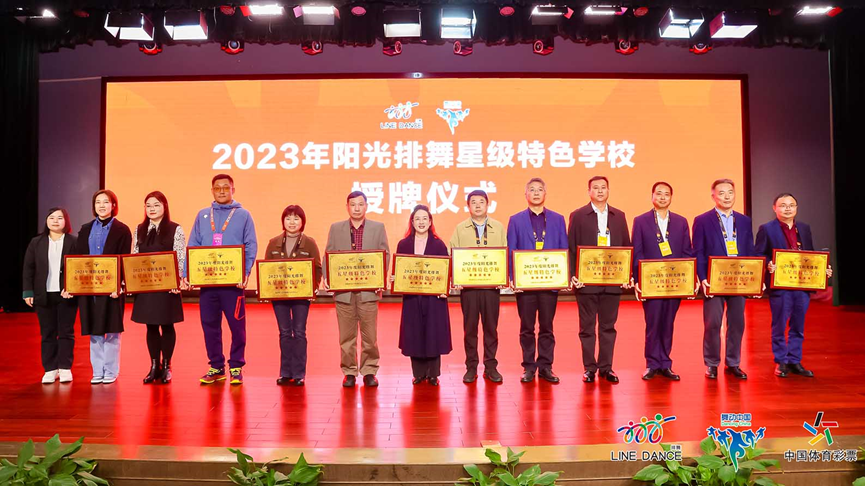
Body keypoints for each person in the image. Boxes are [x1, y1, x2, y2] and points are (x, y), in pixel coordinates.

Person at [183, 174, 257, 385]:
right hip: (208, 283)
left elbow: (250, 245)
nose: (222, 191)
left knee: (237, 327)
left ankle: (236, 366)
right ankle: (216, 366)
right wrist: (188, 273)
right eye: (218, 188)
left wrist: (245, 272)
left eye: (226, 187)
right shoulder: (203, 215)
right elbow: (193, 245)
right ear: (212, 191)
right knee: (210, 326)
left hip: (232, 284)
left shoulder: (243, 215)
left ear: (233, 190)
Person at [755, 193, 833, 378]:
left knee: (798, 325)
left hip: (801, 284)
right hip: (780, 285)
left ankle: (794, 360)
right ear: (775, 208)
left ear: (796, 208)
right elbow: (758, 254)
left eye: (791, 205)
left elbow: (810, 254)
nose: (788, 208)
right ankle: (781, 361)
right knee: (779, 325)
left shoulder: (804, 228)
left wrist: (822, 269)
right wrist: (768, 264)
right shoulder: (766, 229)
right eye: (783, 205)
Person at [568, 176, 632, 384]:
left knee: (608, 327)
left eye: (603, 187)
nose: (600, 191)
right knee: (587, 328)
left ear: (608, 190)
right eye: (595, 188)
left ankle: (606, 367)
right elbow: (571, 248)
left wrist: (627, 275)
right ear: (589, 192)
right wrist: (572, 275)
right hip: (586, 282)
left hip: (612, 282)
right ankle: (589, 368)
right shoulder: (578, 215)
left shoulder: (619, 216)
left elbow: (626, 247)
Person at [323, 191, 390, 387]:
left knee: (370, 336)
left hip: (368, 291)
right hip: (344, 292)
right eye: (353, 204)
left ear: (366, 206)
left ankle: (369, 370)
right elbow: (329, 255)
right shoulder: (336, 228)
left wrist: (378, 277)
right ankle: (349, 371)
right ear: (347, 207)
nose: (357, 208)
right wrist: (328, 278)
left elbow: (385, 255)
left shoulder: (378, 227)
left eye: (361, 204)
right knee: (346, 336)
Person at [506, 178, 568, 384]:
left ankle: (546, 366)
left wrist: (564, 276)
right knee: (527, 327)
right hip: (525, 284)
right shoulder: (515, 220)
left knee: (547, 326)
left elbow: (563, 248)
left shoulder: (558, 219)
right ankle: (528, 367)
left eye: (539, 189)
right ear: (526, 194)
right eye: (531, 190)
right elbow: (511, 250)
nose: (535, 193)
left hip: (550, 281)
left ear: (545, 194)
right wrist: (512, 277)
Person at [632, 182, 695, 381]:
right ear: (652, 196)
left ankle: (665, 363)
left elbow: (687, 252)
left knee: (668, 323)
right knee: (653, 324)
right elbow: (637, 252)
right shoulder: (640, 221)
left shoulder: (681, 221)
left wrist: (688, 280)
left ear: (671, 198)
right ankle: (652, 364)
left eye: (666, 194)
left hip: (675, 283)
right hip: (651, 283)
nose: (662, 197)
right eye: (658, 194)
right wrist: (638, 279)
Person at [693, 178, 755, 380]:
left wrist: (755, 278)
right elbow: (698, 251)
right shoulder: (702, 220)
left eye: (730, 192)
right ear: (713, 196)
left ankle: (733, 363)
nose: (727, 197)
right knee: (712, 323)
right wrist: (702, 277)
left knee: (737, 322)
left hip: (739, 279)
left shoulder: (744, 221)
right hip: (714, 279)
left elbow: (750, 250)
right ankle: (711, 363)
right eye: (721, 193)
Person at [73, 190, 132, 385]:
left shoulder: (122, 230)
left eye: (106, 202)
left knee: (112, 330)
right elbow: (78, 260)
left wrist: (120, 285)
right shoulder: (85, 229)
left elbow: (125, 259)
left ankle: (111, 370)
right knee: (94, 330)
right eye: (98, 202)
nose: (101, 206)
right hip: (89, 288)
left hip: (112, 288)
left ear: (113, 205)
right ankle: (97, 371)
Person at [449, 190, 507, 384]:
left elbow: (504, 254)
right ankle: (471, 367)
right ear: (468, 206)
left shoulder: (498, 227)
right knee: (470, 329)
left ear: (487, 204)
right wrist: (455, 276)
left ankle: (491, 367)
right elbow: (452, 255)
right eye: (473, 202)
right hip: (469, 289)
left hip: (491, 288)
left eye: (481, 202)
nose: (477, 205)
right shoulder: (460, 228)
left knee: (491, 328)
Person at [393, 205, 452, 385]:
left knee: (433, 332)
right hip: (412, 297)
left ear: (430, 221)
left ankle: (433, 374)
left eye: (424, 218)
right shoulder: (404, 244)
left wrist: (444, 287)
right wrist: (396, 278)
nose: (421, 222)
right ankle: (418, 373)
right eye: (417, 219)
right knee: (414, 333)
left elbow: (445, 271)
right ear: (412, 222)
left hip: (434, 298)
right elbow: (400, 269)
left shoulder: (438, 244)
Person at [131, 191, 185, 384]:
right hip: (146, 285)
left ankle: (167, 366)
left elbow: (180, 256)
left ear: (164, 206)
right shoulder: (139, 229)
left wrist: (177, 281)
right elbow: (134, 258)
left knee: (167, 325)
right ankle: (154, 366)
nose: (152, 209)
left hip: (167, 287)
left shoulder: (175, 229)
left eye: (156, 205)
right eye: (148, 206)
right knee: (151, 326)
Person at [264, 205, 322, 386]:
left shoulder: (309, 243)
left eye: (296, 218)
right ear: (283, 221)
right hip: (279, 295)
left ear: (302, 222)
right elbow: (266, 269)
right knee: (284, 332)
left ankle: (298, 373)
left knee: (299, 332)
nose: (292, 222)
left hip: (301, 296)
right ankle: (285, 372)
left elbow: (317, 268)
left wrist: (314, 288)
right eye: (288, 218)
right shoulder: (273, 242)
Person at [22, 207, 79, 384]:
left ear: (66, 221)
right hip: (43, 294)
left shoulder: (74, 242)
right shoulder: (36, 242)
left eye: (60, 218)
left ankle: (65, 368)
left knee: (66, 332)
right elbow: (28, 268)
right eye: (52, 217)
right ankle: (50, 369)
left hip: (66, 295)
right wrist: (28, 291)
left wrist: (72, 288)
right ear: (46, 221)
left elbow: (79, 267)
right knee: (47, 333)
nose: (55, 221)